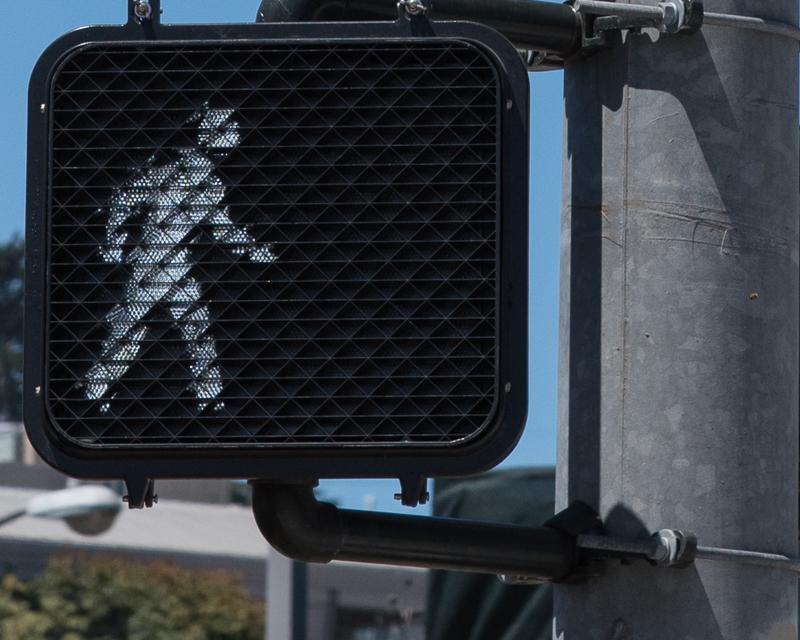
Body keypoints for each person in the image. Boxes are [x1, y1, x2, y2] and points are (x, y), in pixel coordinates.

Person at [84, 104, 274, 413]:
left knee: (188, 336)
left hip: (176, 271)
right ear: (210, 135)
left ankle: (210, 402)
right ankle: (95, 393)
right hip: (151, 269)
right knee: (130, 338)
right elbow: (126, 196)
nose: (235, 135)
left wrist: (254, 250)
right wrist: (113, 238)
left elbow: (221, 229)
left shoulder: (206, 181)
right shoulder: (176, 173)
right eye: (228, 129)